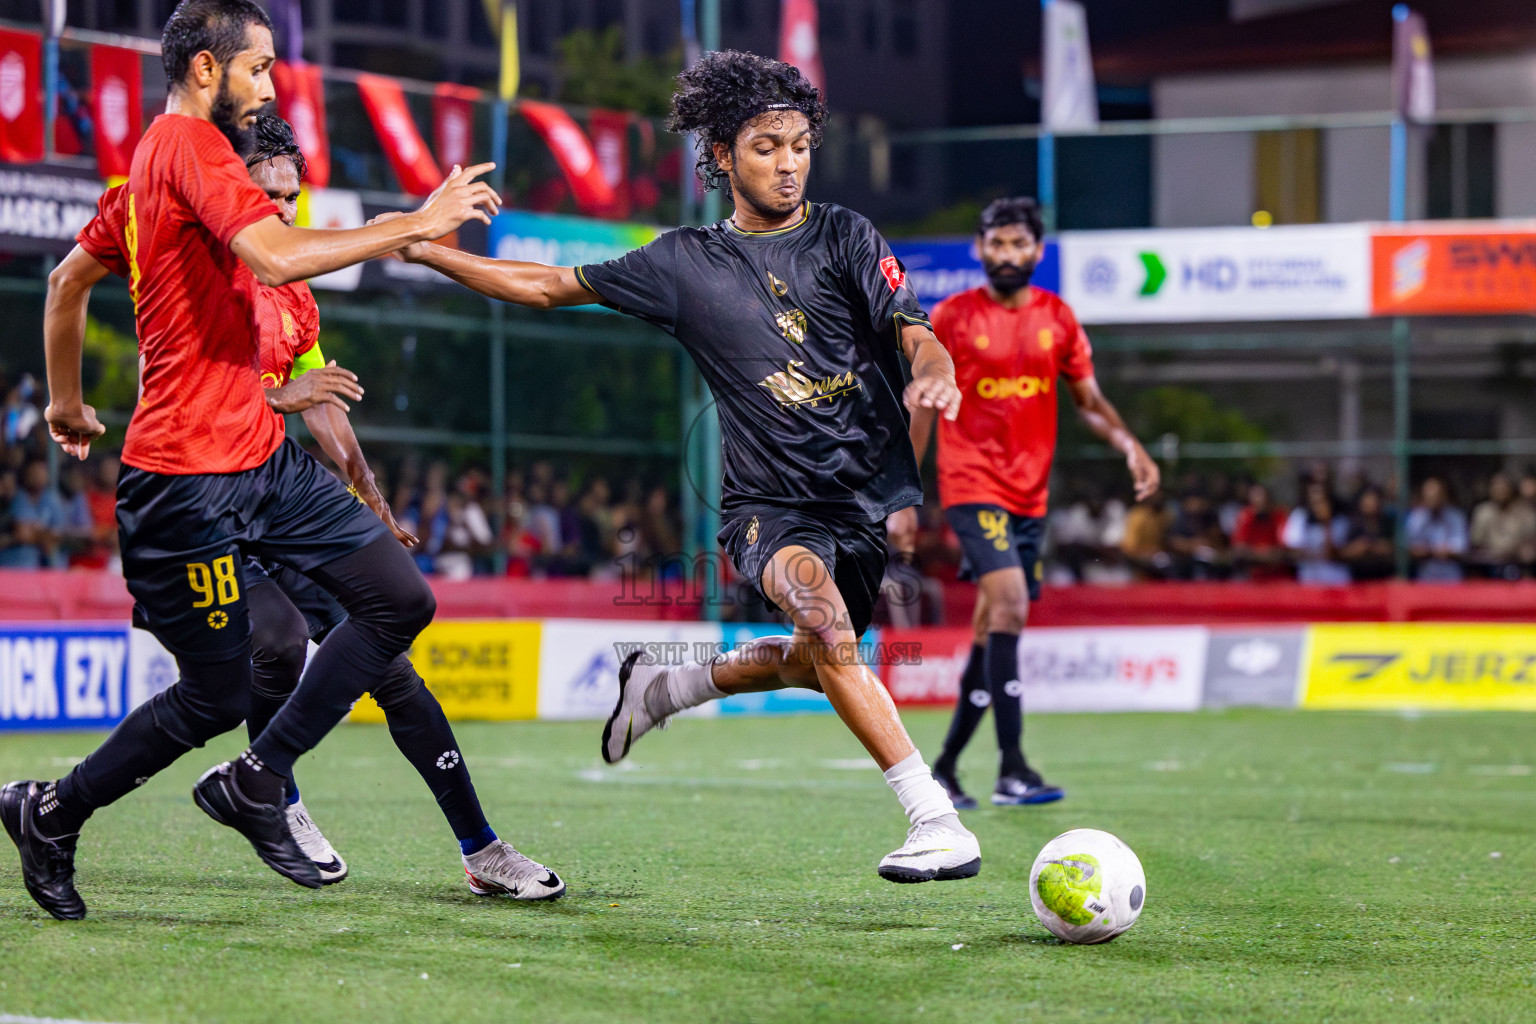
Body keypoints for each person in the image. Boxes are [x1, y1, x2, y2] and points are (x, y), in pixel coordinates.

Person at [387, 50, 977, 884]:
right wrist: (432, 249)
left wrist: (935, 363)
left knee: (819, 659)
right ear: (724, 155)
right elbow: (545, 285)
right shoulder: (681, 264)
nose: (789, 162)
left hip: (862, 502)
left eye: (801, 144)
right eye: (768, 146)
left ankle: (668, 685)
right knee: (828, 625)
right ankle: (935, 818)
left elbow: (912, 326)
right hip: (766, 505)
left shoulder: (846, 235)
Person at [4, 0, 507, 921]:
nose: (272, 84)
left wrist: (67, 399)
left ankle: (262, 778)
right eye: (262, 67)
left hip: (260, 461)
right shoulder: (190, 150)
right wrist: (415, 223)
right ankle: (52, 812)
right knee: (219, 689)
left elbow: (66, 281)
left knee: (400, 598)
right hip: (186, 482)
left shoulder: (163, 167)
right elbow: (275, 259)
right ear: (206, 68)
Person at [909, 197, 1158, 810]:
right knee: (1012, 605)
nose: (1008, 255)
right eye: (996, 244)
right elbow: (920, 401)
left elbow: (1089, 400)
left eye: (1019, 244)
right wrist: (904, 493)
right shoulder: (953, 317)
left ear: (1037, 252)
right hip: (970, 486)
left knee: (991, 623)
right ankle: (1013, 768)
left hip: (1030, 496)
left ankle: (942, 771)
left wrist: (1130, 444)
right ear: (979, 249)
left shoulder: (1059, 319)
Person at [1468, 472, 1536, 580]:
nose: (1500, 491)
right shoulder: (1482, 512)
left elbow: (1530, 545)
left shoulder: (1525, 513)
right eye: (1496, 487)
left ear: (1512, 489)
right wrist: (1496, 554)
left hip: (1519, 567)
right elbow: (1475, 545)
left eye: (1504, 487)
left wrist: (1514, 552)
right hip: (1488, 567)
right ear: (1490, 490)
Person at [1281, 482, 1350, 585]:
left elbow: (1333, 554)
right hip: (1308, 580)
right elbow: (1293, 550)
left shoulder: (1340, 521)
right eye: (1315, 502)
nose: (1318, 506)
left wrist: (1326, 524)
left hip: (1336, 579)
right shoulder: (1300, 517)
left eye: (1321, 501)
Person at [1405, 477, 1468, 582]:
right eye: (1429, 497)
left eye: (1436, 496)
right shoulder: (1416, 517)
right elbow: (1408, 546)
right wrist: (1431, 550)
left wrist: (1445, 551)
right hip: (1425, 578)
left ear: (1443, 495)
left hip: (1451, 578)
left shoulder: (1456, 516)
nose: (1432, 500)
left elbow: (1462, 547)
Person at [1230, 483, 1290, 580]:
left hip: (1278, 575)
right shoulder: (1245, 516)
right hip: (1252, 576)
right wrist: (1266, 556)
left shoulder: (1279, 516)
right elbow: (1239, 550)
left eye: (1262, 498)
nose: (1259, 501)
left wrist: (1253, 554)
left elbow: (1281, 553)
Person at [1340, 486, 1395, 581]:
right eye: (1368, 499)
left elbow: (1397, 550)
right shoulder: (1353, 525)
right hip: (1359, 580)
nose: (1371, 503)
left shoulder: (1388, 524)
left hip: (1384, 579)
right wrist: (1358, 548)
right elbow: (1342, 553)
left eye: (1374, 499)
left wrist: (1381, 548)